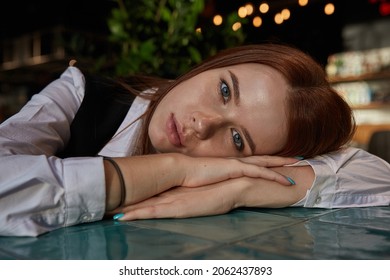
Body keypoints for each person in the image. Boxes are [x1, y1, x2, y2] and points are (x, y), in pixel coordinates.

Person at [0, 43, 389, 237]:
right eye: (224, 90)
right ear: (214, 65)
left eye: (237, 139)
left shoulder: (237, 177)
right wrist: (173, 168)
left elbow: (379, 181)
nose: (201, 125)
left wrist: (244, 189)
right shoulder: (79, 92)